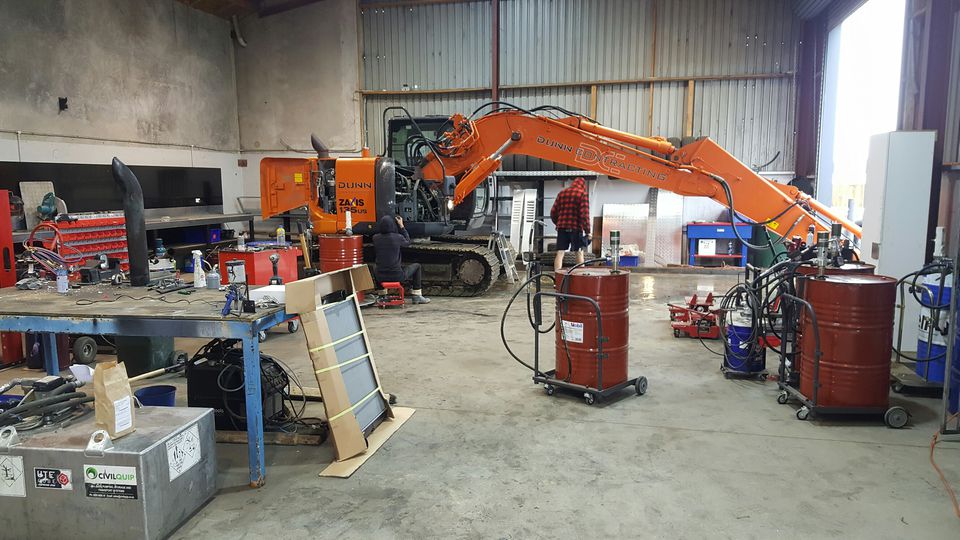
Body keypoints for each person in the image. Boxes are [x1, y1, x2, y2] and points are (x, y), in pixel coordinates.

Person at [373, 214, 430, 304]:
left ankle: (381, 294)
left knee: (375, 267)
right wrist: (401, 226)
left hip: (381, 277)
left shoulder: (375, 238)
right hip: (397, 276)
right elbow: (408, 242)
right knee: (417, 266)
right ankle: (417, 295)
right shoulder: (397, 237)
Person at [549, 177, 592, 272]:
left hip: (562, 228)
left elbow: (553, 212)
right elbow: (584, 215)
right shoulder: (582, 194)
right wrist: (588, 231)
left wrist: (559, 223)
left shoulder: (562, 193)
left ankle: (558, 277)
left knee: (560, 253)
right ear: (582, 185)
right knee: (579, 253)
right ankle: (581, 278)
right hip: (576, 228)